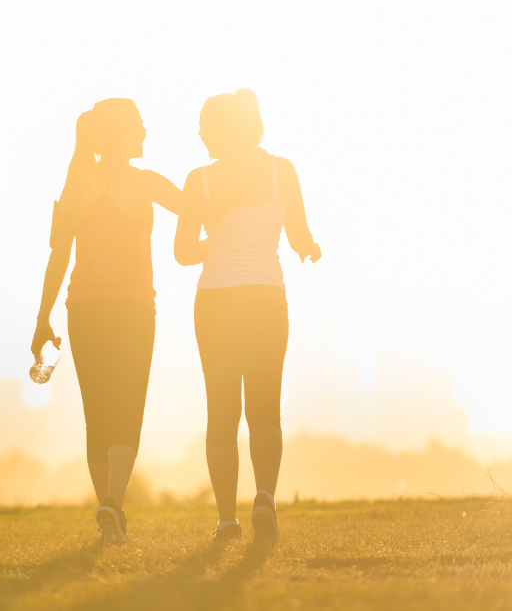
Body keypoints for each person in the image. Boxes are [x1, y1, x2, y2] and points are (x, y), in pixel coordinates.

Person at [32, 98, 214, 545]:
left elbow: (58, 257)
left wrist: (42, 318)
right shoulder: (144, 182)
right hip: (131, 310)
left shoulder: (75, 186)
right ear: (125, 134)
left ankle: (108, 512)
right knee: (127, 408)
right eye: (141, 126)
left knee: (96, 414)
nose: (147, 133)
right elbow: (199, 210)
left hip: (82, 310)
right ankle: (112, 503)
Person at [174, 89, 321, 542]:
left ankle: (226, 520)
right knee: (265, 408)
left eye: (204, 126)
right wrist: (310, 249)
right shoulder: (281, 171)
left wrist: (219, 243)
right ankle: (265, 499)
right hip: (266, 300)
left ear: (223, 129)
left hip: (215, 302)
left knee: (221, 411)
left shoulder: (198, 180)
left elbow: (183, 252)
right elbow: (299, 236)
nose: (199, 134)